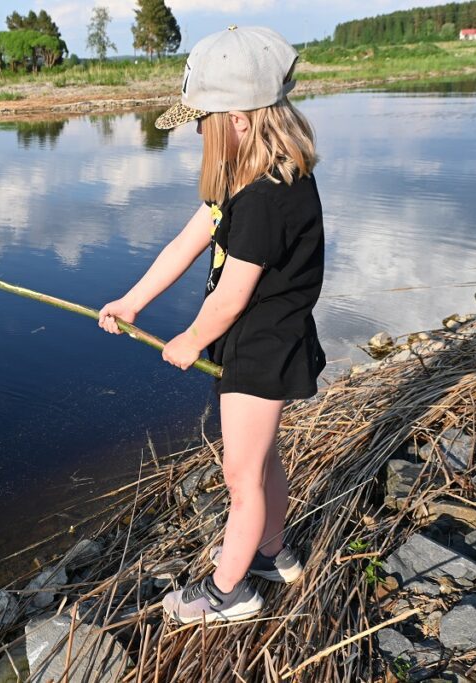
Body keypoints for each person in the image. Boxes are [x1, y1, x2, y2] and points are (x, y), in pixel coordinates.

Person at [97, 25, 326, 625]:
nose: (197, 131)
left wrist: (191, 340)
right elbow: (185, 243)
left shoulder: (269, 197)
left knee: (240, 475)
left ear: (240, 121)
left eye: (203, 119)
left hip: (260, 347)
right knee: (262, 461)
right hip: (261, 343)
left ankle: (230, 593)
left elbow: (230, 297)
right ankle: (272, 553)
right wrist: (132, 301)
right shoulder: (243, 181)